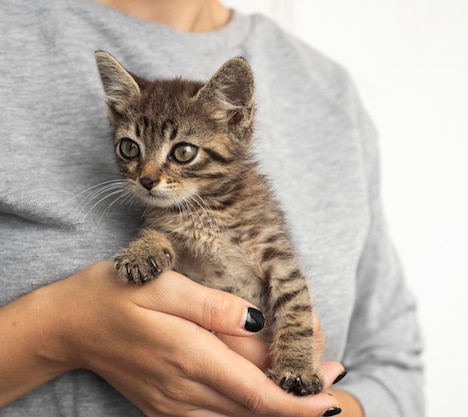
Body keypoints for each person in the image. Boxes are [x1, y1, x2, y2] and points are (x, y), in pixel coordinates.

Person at [0, 0, 424, 416]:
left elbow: (394, 365)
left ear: (236, 119)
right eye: (131, 149)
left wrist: (301, 405)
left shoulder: (328, 89)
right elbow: (163, 239)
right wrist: (62, 331)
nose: (148, 174)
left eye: (181, 152)